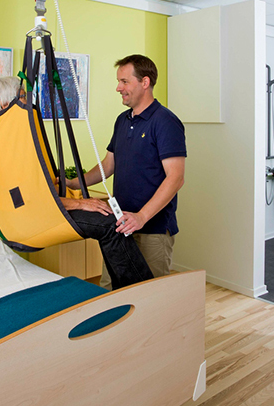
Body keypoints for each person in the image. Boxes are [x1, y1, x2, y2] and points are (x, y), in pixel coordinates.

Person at [0, 76, 154, 290]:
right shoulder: (7, 145)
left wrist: (72, 187)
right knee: (111, 224)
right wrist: (81, 203)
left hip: (42, 209)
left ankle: (126, 292)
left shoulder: (6, 138)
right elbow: (30, 197)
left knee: (110, 220)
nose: (28, 102)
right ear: (6, 105)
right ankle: (144, 292)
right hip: (34, 218)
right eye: (23, 97)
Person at [67, 55, 186, 290]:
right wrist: (74, 183)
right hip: (120, 225)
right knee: (110, 288)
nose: (118, 88)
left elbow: (176, 178)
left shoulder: (165, 122)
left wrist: (141, 217)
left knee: (149, 294)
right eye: (118, 81)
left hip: (152, 229)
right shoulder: (122, 120)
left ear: (145, 82)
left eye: (124, 81)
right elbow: (108, 166)